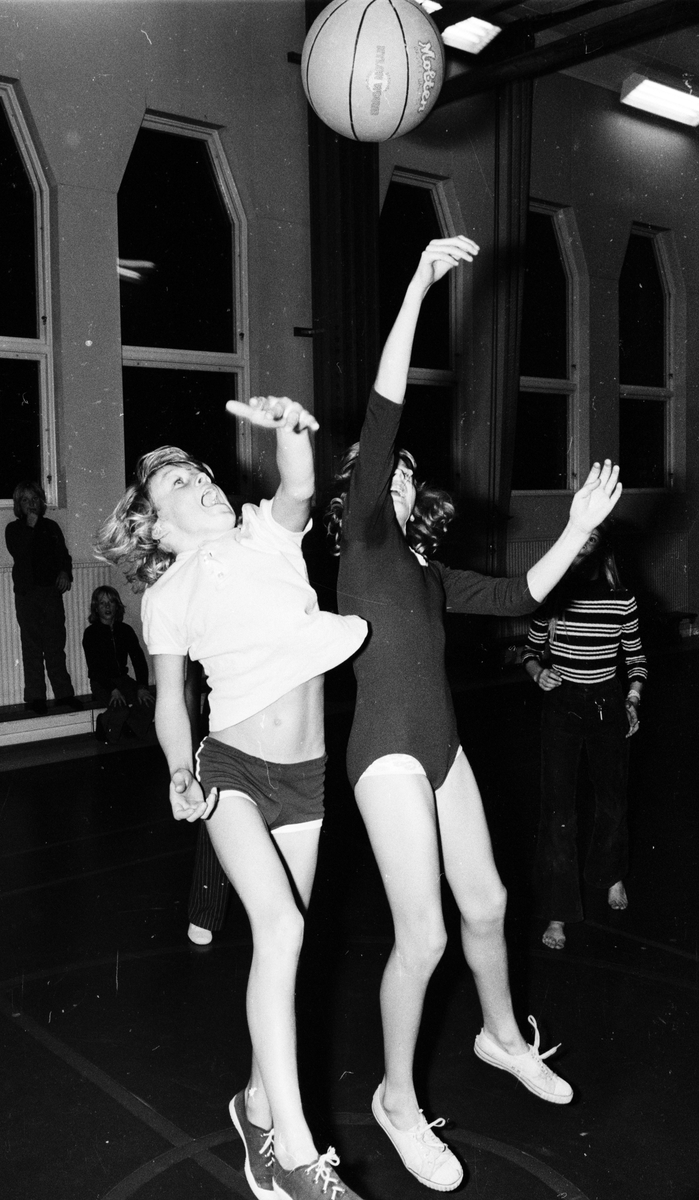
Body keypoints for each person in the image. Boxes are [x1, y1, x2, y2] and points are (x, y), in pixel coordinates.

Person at [325, 237, 622, 1191]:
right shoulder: (365, 543)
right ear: (365, 491)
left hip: (443, 752)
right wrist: (414, 284)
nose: (398, 473)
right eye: (385, 469)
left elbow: (524, 593)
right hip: (386, 755)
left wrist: (576, 529)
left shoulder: (426, 569)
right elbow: (384, 407)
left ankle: (501, 1038)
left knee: (489, 904)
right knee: (426, 936)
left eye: (406, 470)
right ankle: (396, 1102)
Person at [94, 400, 369, 1200]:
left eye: (205, 471)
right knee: (279, 928)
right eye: (183, 481)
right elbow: (171, 699)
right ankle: (297, 1153)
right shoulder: (167, 596)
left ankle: (254, 1106)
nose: (205, 482)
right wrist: (182, 769)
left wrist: (293, 439)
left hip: (307, 777)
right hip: (234, 769)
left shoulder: (263, 535)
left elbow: (298, 491)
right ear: (156, 524)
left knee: (287, 954)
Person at [521, 525, 646, 951]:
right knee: (559, 809)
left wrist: (631, 700)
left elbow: (637, 658)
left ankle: (610, 874)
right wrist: (538, 673)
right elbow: (530, 649)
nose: (582, 553)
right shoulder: (553, 598)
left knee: (612, 798)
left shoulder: (622, 600)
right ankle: (559, 912)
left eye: (591, 543)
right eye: (578, 545)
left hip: (609, 703)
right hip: (563, 704)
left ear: (602, 553)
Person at [5, 480, 80, 715]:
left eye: (34, 499)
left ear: (41, 502)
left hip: (50, 594)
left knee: (55, 644)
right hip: (27, 595)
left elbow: (62, 555)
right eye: (25, 501)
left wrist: (64, 572)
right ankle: (36, 696)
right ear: (19, 506)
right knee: (32, 646)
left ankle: (64, 693)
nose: (31, 504)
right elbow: (20, 551)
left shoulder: (52, 527)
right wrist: (29, 526)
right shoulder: (14, 529)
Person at [82, 585, 154, 743]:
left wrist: (141, 687)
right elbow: (95, 669)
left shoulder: (125, 630)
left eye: (111, 602)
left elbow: (139, 660)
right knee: (120, 711)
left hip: (123, 679)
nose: (107, 606)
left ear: (117, 606)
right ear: (96, 609)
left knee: (149, 703)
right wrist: (112, 689)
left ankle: (130, 730)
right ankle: (103, 724)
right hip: (102, 683)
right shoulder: (91, 633)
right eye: (102, 603)